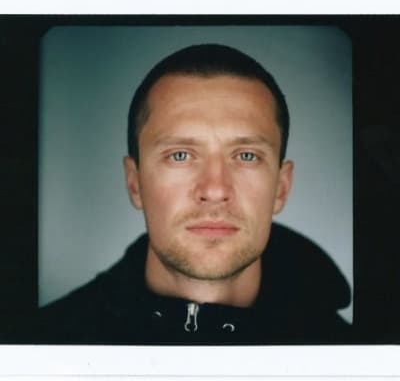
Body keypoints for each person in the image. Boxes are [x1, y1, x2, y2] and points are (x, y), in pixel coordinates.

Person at [23, 44, 351, 344]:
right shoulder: (42, 349)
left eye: (246, 155)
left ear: (281, 188)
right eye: (180, 155)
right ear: (135, 183)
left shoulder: (352, 358)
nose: (215, 190)